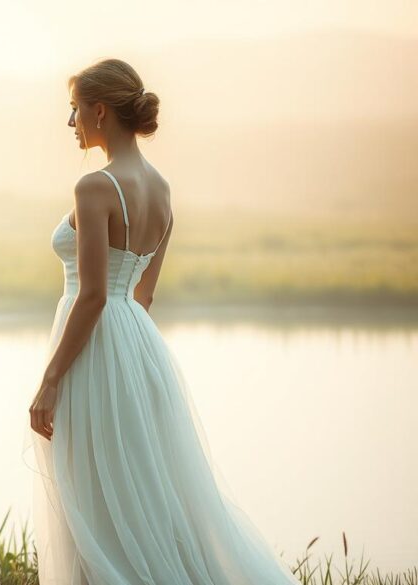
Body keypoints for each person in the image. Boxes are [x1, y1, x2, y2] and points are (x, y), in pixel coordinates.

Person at [21, 58, 299, 584]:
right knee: (141, 486)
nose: (70, 122)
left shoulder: (93, 188)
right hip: (136, 348)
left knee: (93, 492)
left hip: (93, 347)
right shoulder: (163, 190)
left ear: (100, 111)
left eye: (75, 109)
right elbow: (140, 296)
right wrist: (127, 360)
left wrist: (51, 379)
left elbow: (94, 296)